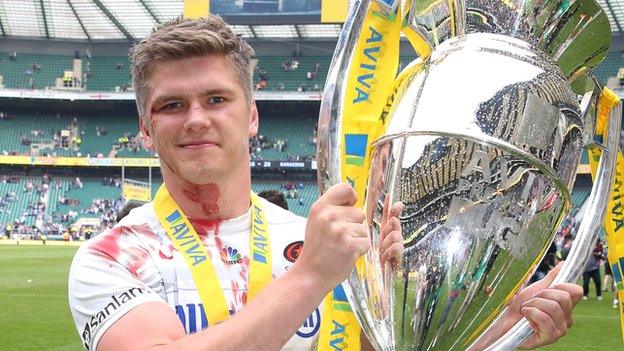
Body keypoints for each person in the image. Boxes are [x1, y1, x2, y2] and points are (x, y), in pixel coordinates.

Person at [68, 15, 582, 351]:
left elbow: (383, 346)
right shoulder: (110, 257)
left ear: (252, 116)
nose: (196, 119)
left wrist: (503, 325)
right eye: (172, 105)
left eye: (217, 99)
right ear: (145, 127)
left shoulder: (316, 240)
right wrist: (311, 275)